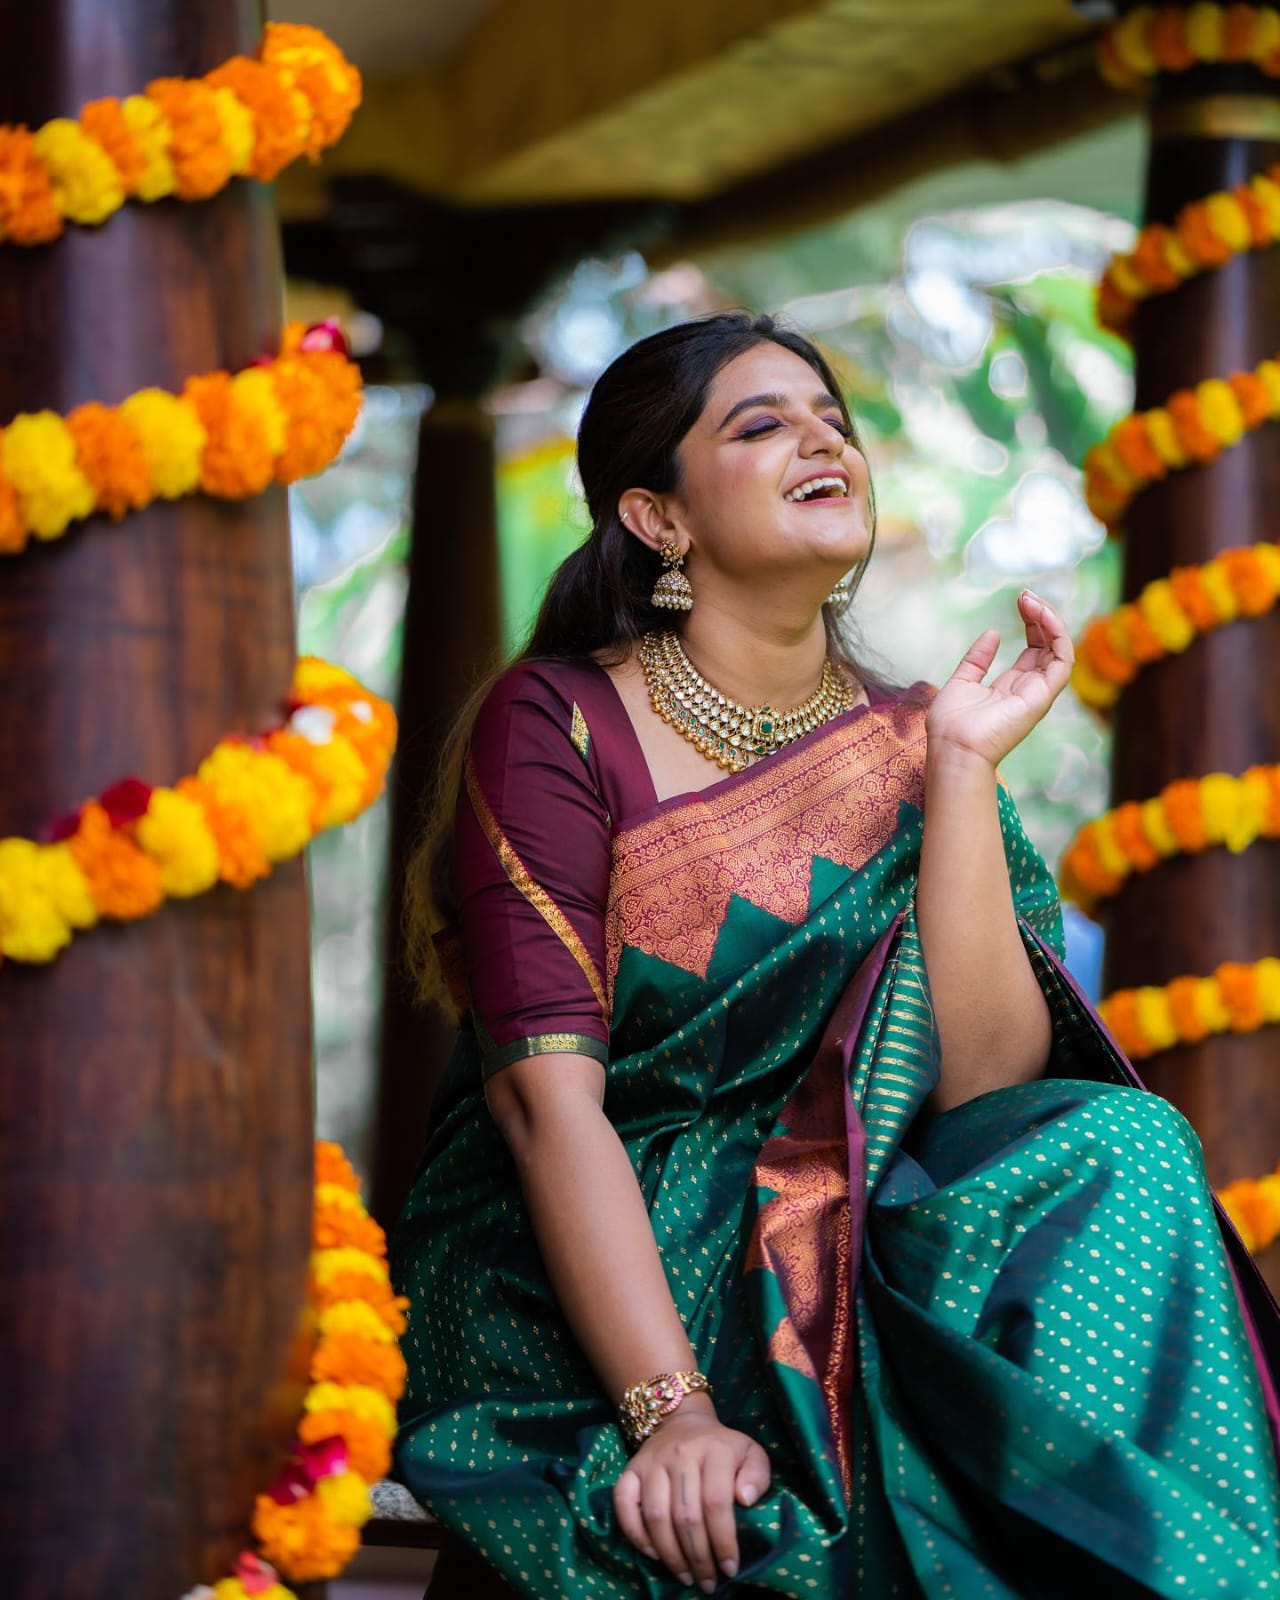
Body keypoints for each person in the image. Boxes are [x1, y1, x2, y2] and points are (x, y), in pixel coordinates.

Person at [391, 312, 1280, 1598]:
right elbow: (540, 1105)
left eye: (830, 421)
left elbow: (986, 1084)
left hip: (858, 1207)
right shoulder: (560, 722)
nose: (822, 440)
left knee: (1126, 1144)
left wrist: (962, 770)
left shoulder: (917, 734)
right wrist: (670, 1413)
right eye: (758, 425)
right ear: (655, 518)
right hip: (621, 1246)